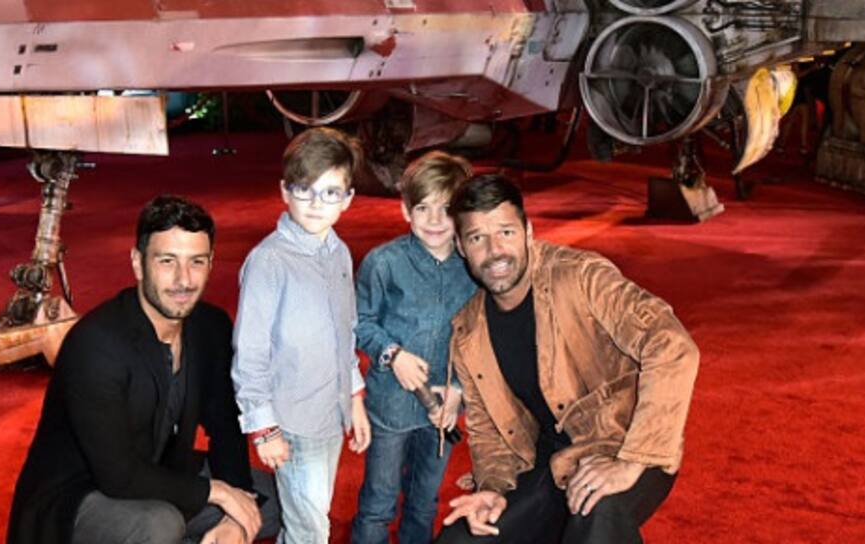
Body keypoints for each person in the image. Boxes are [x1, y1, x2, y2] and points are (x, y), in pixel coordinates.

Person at [435, 175, 699, 544]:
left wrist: (632, 461)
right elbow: (489, 433)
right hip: (549, 461)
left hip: (624, 439)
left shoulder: (580, 276)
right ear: (461, 247)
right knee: (462, 540)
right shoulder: (468, 331)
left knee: (596, 515)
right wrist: (492, 487)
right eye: (477, 238)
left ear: (528, 232)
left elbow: (672, 345)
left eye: (506, 232)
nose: (495, 251)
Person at [7, 195, 280, 544]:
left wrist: (236, 516)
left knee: (277, 498)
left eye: (196, 262)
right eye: (167, 261)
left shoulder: (210, 326)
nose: (183, 280)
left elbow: (225, 427)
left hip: (162, 469)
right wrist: (219, 493)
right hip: (81, 494)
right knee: (159, 524)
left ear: (211, 263)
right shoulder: (96, 343)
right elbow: (118, 474)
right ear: (138, 263)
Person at [232, 127, 372, 543]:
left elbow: (344, 335)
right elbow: (250, 353)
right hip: (291, 421)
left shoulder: (339, 252)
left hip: (330, 413)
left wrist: (354, 397)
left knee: (308, 519)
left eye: (330, 192)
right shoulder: (268, 262)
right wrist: (265, 429)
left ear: (347, 199)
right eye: (304, 189)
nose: (315, 203)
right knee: (310, 529)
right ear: (284, 192)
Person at [351, 151, 476, 544]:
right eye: (423, 208)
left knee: (424, 502)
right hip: (390, 405)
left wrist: (460, 391)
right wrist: (393, 354)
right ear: (406, 210)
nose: (435, 220)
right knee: (378, 503)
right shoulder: (383, 263)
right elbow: (359, 322)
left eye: (446, 208)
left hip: (444, 411)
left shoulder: (473, 267)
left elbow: (479, 338)